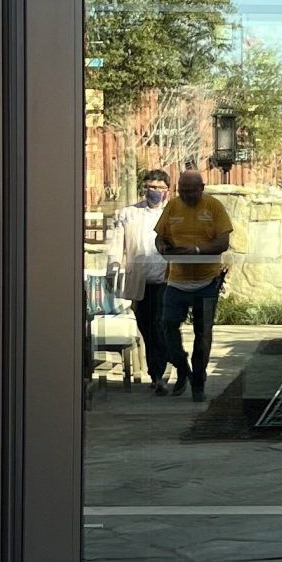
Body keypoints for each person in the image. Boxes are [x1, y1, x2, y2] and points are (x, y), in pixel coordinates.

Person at [155, 164, 233, 399]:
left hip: (206, 281)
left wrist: (197, 250)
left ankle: (198, 381)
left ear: (202, 188)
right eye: (183, 191)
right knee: (166, 326)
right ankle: (182, 366)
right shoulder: (172, 206)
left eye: (192, 191)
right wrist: (164, 249)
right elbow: (160, 237)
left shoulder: (214, 207)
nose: (187, 196)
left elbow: (223, 243)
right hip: (177, 281)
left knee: (203, 333)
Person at [105, 168, 173, 391]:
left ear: (167, 190)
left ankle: (160, 374)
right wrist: (112, 270)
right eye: (150, 187)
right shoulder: (128, 214)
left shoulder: (173, 214)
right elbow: (117, 245)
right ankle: (157, 373)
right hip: (140, 282)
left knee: (161, 325)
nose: (153, 191)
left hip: (166, 280)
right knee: (147, 328)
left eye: (158, 188)